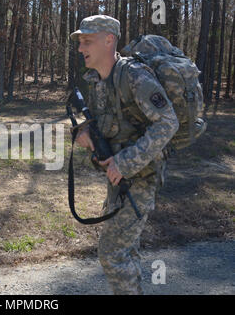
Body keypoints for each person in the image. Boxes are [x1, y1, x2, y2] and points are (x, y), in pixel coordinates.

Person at [70, 15, 179, 294]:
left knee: (112, 253)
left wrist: (124, 162)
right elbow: (104, 124)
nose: (81, 48)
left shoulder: (134, 76)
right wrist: (84, 133)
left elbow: (168, 122)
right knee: (125, 251)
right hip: (119, 178)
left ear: (109, 40)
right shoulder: (97, 80)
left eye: (87, 41)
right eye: (80, 42)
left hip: (140, 177)